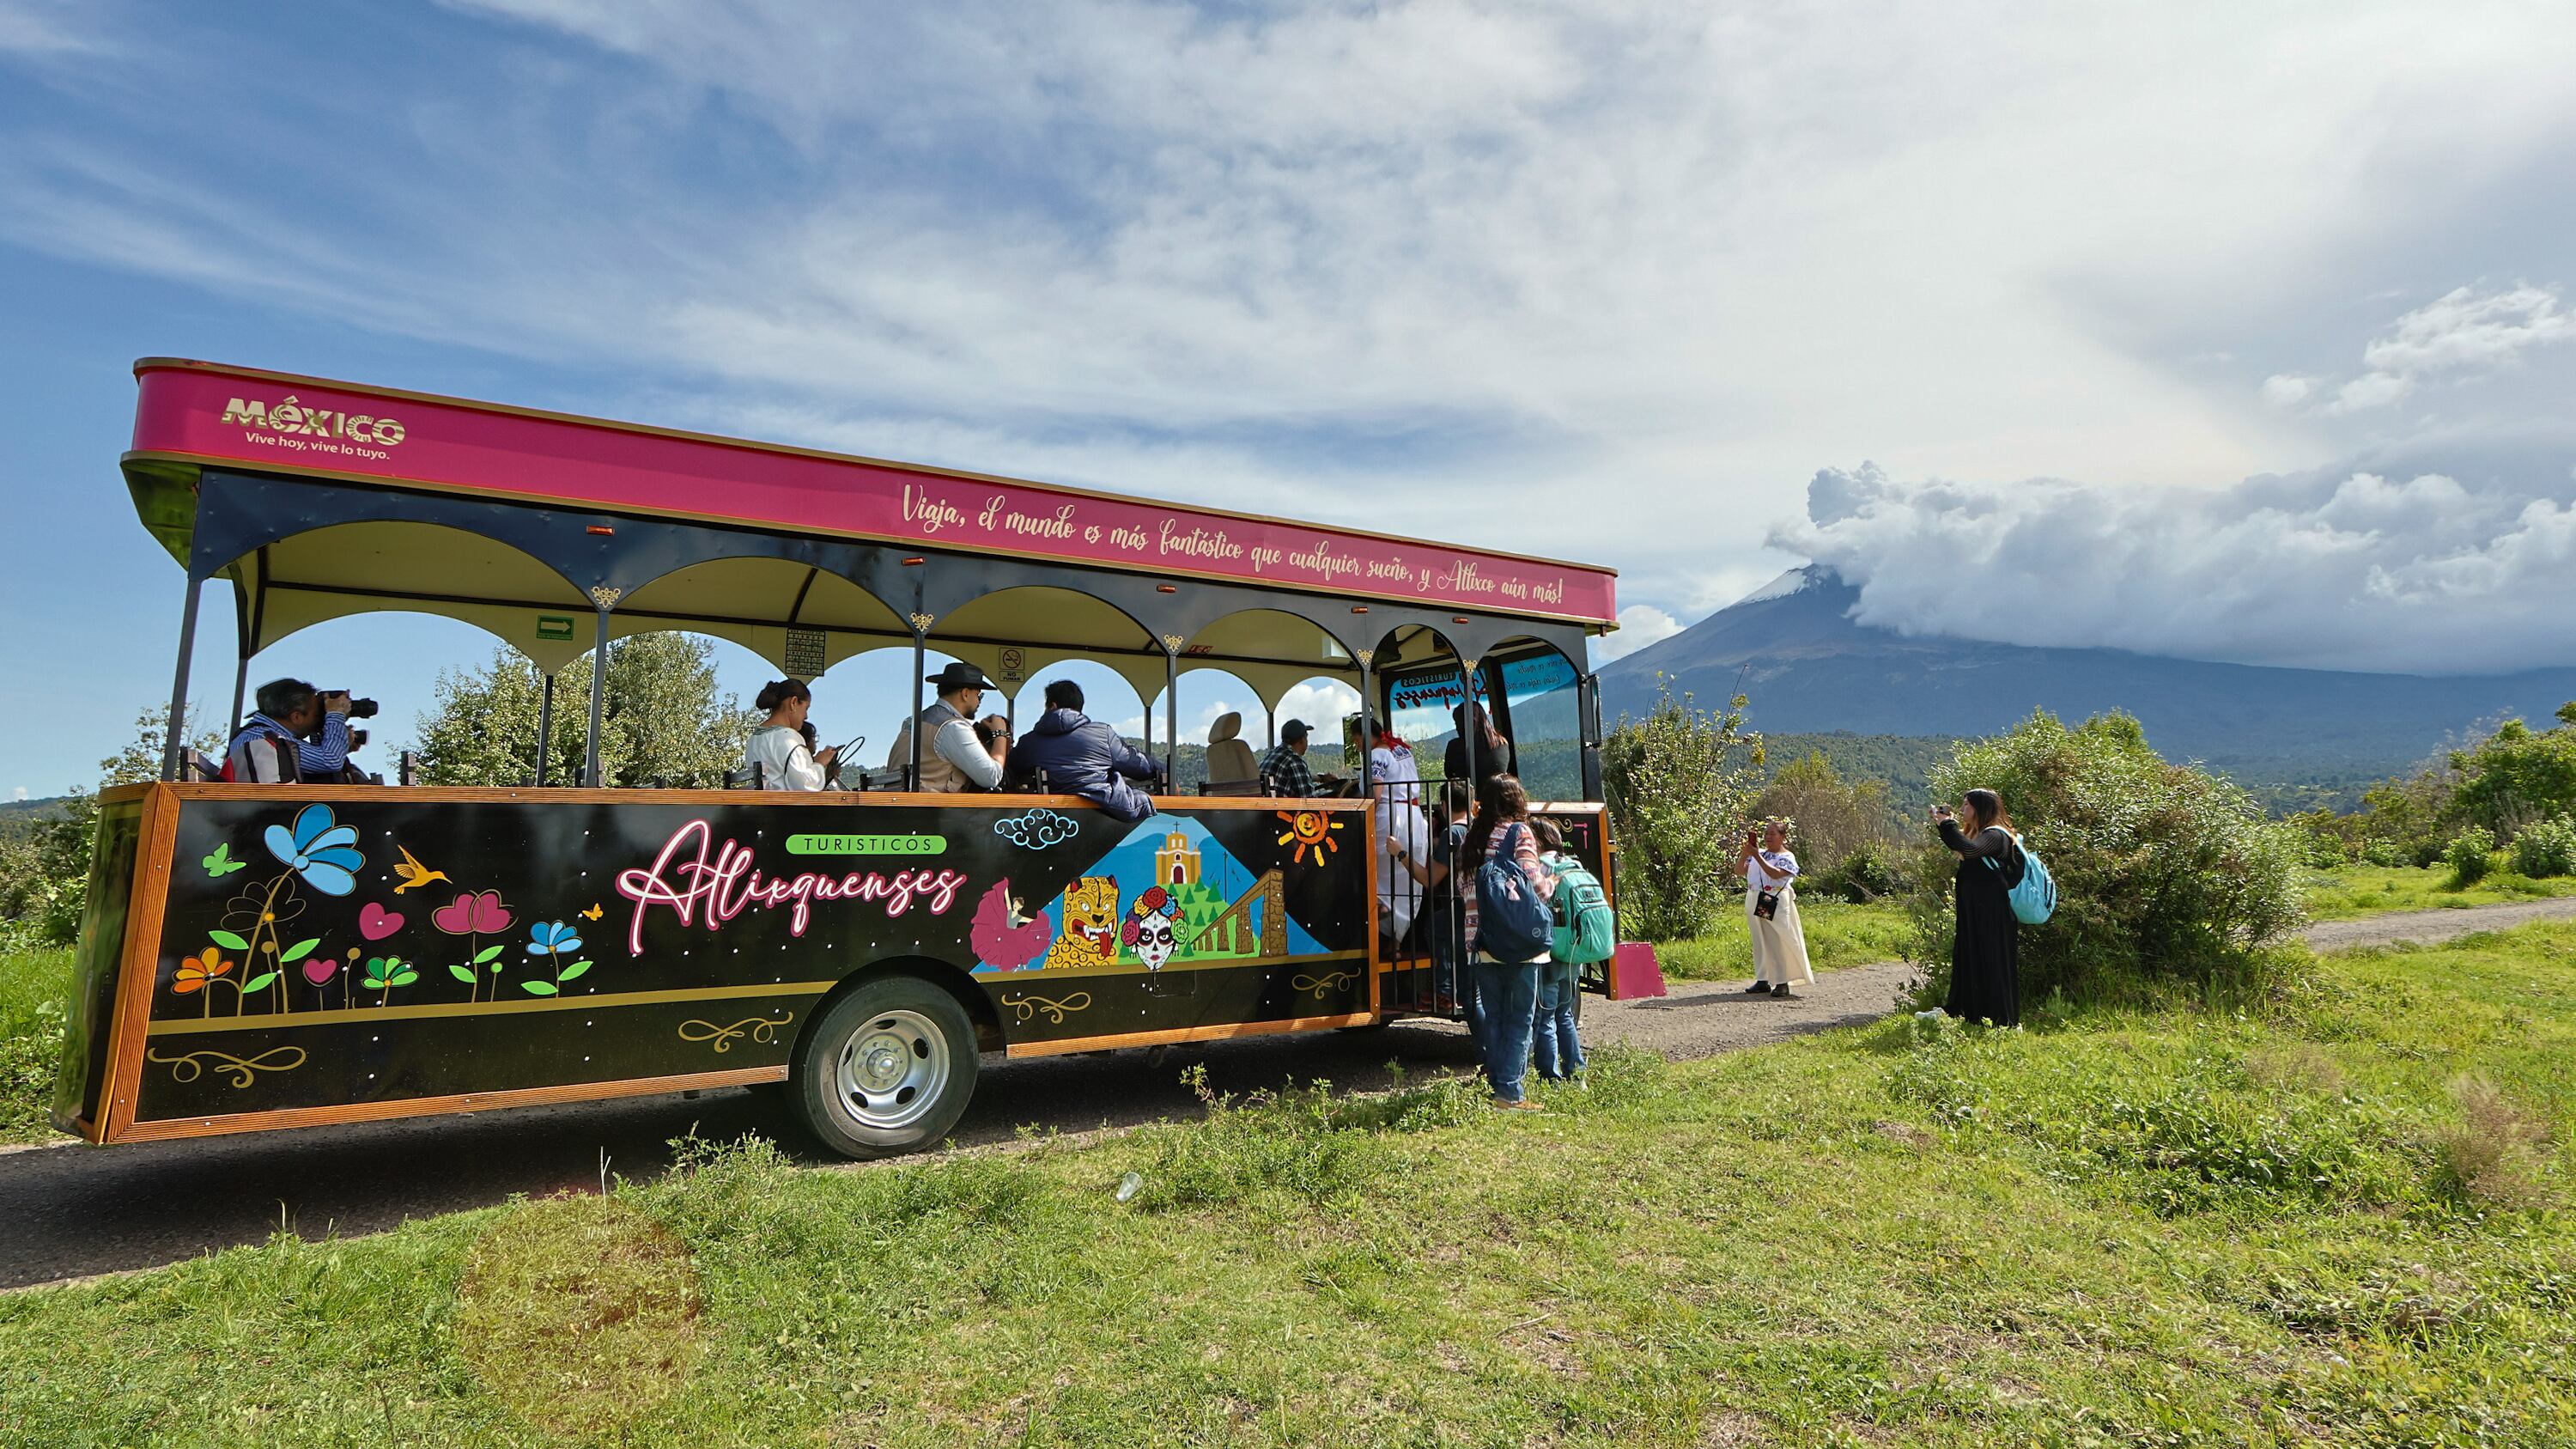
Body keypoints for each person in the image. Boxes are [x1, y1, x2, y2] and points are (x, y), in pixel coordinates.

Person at [1461, 771, 1555, 1110]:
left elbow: (1463, 889)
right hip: (1516, 942)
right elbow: (1533, 881)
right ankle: (1510, 1093)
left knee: (1496, 1017)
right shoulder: (1519, 833)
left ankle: (1497, 1087)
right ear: (1516, 801)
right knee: (1520, 1018)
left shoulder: (1472, 838)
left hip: (1481, 941)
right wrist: (1551, 884)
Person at [1005, 678, 1160, 822]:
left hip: (1050, 825)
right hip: (1103, 822)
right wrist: (1163, 770)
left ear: (1052, 706)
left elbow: (1008, 773)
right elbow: (1139, 766)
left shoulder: (1028, 743)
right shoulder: (1103, 734)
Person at [1388, 778, 1475, 1029]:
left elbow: (1429, 879)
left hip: (1459, 907)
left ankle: (1445, 989)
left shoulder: (1452, 833)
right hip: (1476, 904)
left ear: (1445, 806)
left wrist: (1401, 853)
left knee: (1434, 927)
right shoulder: (1476, 827)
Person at [1529, 819, 1609, 1082]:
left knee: (1545, 1017)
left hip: (1551, 952)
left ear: (1539, 841)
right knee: (1564, 1014)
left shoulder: (1541, 868)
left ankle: (1550, 1079)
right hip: (1574, 952)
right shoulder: (1574, 865)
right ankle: (1577, 1075)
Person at [1935, 788, 2023, 1026]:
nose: (1963, 809)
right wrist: (1945, 826)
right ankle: (1968, 1013)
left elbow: (1971, 850)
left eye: (1967, 805)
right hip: (1977, 911)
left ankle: (2003, 1020)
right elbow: (1965, 847)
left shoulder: (1997, 835)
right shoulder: (1981, 834)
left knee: (1993, 960)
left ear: (1981, 809)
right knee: (1971, 957)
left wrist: (1947, 825)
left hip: (1992, 912)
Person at [888, 661, 1008, 792]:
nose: (979, 701)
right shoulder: (953, 726)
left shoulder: (915, 721)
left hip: (898, 804)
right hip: (928, 808)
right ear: (965, 693)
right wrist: (1000, 734)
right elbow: (991, 777)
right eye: (979, 695)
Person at [1366, 715, 1429, 945]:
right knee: (1405, 883)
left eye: (1355, 740)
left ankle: (1385, 937)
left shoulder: (1378, 754)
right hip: (1414, 817)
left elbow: (1376, 794)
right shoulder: (1402, 749)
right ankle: (1399, 940)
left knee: (1381, 879)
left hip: (1390, 818)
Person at [226, 679, 354, 783]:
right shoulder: (264, 740)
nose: (318, 719)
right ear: (296, 717)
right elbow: (330, 760)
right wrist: (336, 715)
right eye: (315, 715)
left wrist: (340, 743)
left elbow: (319, 761)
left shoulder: (260, 735)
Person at [1740, 819, 1814, 998]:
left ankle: (1782, 982)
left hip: (1774, 900)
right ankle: (1762, 979)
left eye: (1773, 834)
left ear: (1782, 837)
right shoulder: (1761, 853)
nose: (1768, 837)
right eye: (1766, 834)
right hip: (1755, 898)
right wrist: (1745, 854)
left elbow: (1775, 874)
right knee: (1759, 940)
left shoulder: (1786, 857)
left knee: (1777, 940)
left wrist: (1756, 856)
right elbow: (1739, 871)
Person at [744, 679, 835, 791]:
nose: (806, 716)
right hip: (782, 808)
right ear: (793, 703)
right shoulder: (788, 737)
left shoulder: (754, 738)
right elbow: (806, 786)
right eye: (806, 708)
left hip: (761, 807)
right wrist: (820, 764)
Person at [1443, 700, 1515, 790]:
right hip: (1497, 800)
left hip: (1467, 801)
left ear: (1466, 724)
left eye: (1457, 723)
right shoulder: (1502, 744)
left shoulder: (1455, 747)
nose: (1457, 728)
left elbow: (1450, 775)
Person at [1259, 719, 1326, 798]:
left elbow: (1295, 778)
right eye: (1306, 738)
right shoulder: (1294, 761)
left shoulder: (1271, 755)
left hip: (1267, 807)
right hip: (1282, 809)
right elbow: (1309, 800)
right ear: (1302, 740)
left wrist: (1321, 778)